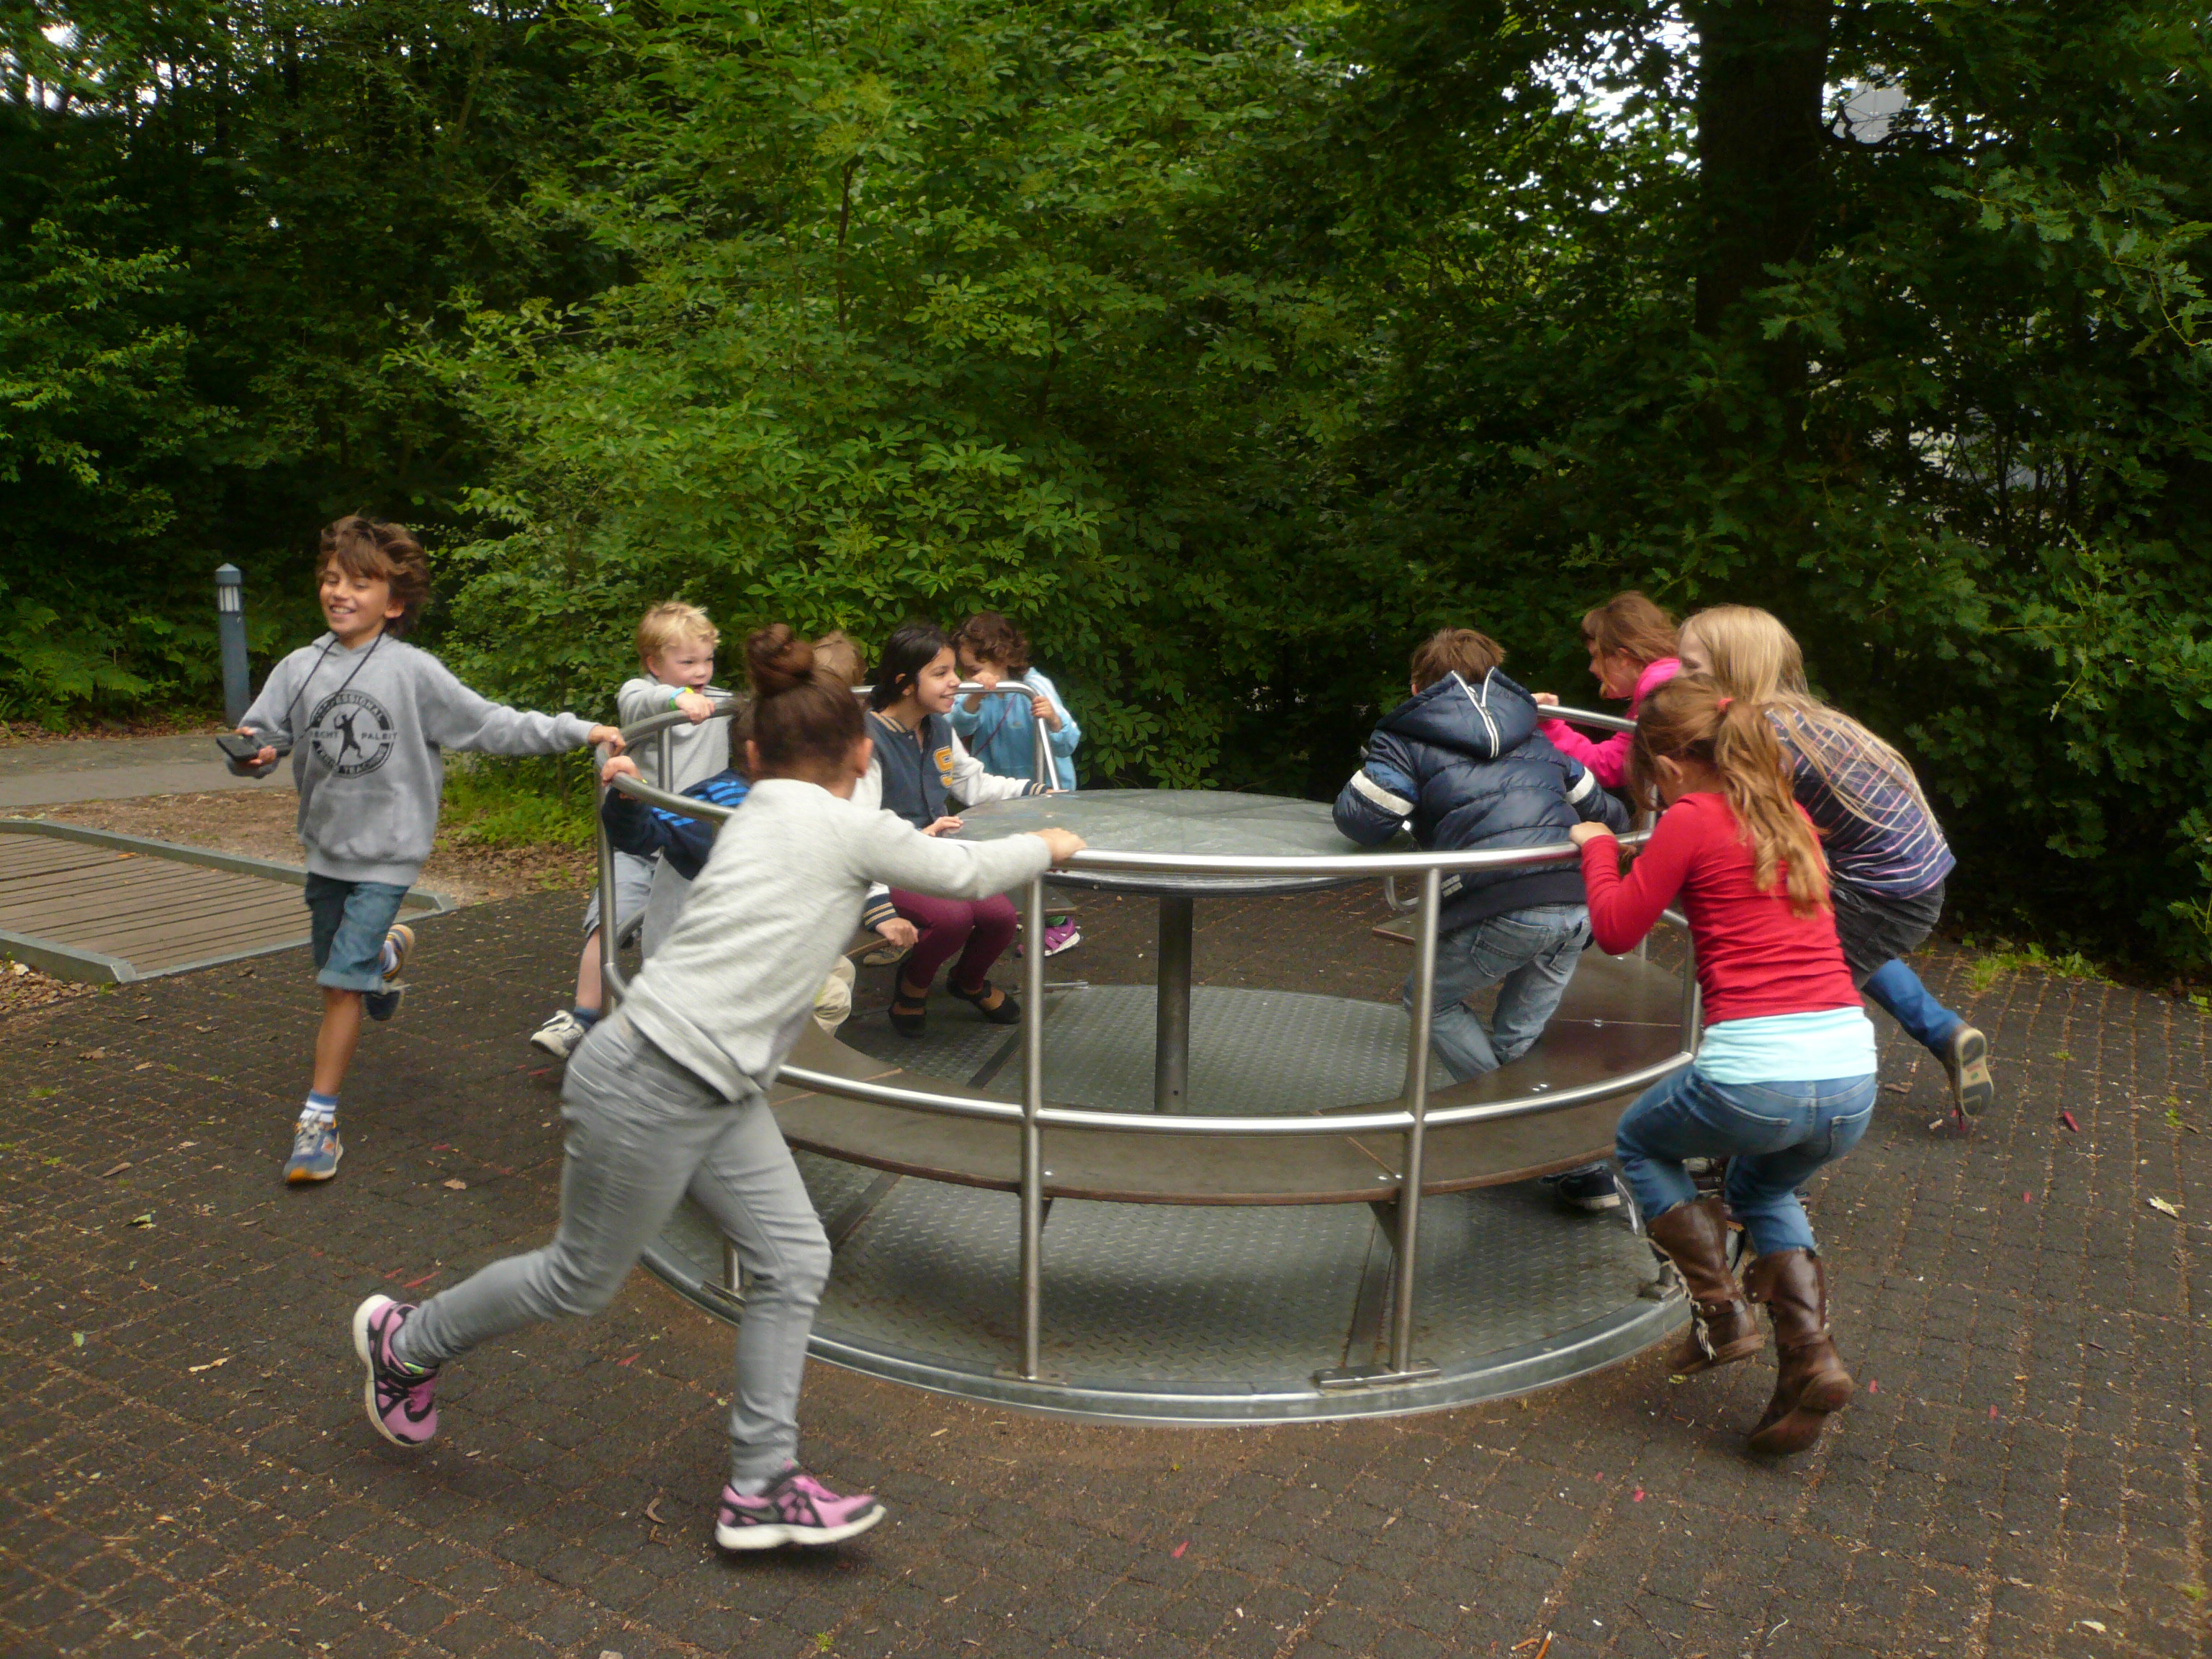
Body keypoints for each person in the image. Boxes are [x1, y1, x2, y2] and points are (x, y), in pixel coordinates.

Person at [350, 625, 1085, 1549]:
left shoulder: (759, 806)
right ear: (862, 757)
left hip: (713, 1081)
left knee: (794, 1259)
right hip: (655, 1077)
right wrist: (1050, 841)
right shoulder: (846, 823)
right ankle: (406, 1342)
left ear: (753, 756)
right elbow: (966, 869)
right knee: (579, 1278)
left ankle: (761, 1485)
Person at [229, 516, 623, 1184]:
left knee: (338, 986)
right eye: (332, 579)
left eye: (360, 583)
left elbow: (491, 722)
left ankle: (319, 1121)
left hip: (391, 852)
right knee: (341, 969)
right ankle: (384, 956)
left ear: (395, 602)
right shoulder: (299, 667)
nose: (340, 592)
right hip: (325, 849)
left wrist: (579, 730)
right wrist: (253, 754)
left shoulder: (413, 673)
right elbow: (262, 737)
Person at [1572, 676, 1878, 1455]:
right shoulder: (1789, 816)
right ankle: (1811, 1361)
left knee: (1640, 1140)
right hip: (1851, 1077)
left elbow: (1615, 928)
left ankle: (1720, 1313)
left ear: (1671, 764)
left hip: (1757, 1077)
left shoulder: (1691, 816)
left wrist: (1599, 848)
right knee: (1763, 1189)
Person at [1333, 628, 1632, 1213]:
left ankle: (1525, 1137)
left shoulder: (1405, 734)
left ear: (1418, 687)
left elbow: (1363, 819)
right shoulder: (1533, 733)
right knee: (1519, 1039)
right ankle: (1584, 1169)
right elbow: (1609, 812)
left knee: (1428, 1000)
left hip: (1506, 904)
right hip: (1577, 903)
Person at [1677, 605, 1992, 1119]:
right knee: (1842, 945)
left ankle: (1761, 1120)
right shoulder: (1797, 716)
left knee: (1787, 994)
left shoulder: (1763, 739)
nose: (1679, 678)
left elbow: (1729, 829)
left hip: (1884, 891)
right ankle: (1944, 1033)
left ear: (1734, 668)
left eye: (1692, 668)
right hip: (1905, 877)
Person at [531, 602, 729, 1061]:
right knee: (609, 919)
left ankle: (683, 1026)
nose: (701, 672)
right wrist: (677, 699)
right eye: (688, 662)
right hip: (642, 842)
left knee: (695, 933)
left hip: (691, 847)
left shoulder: (721, 703)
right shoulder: (644, 693)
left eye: (708, 660)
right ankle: (583, 1015)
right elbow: (638, 701)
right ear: (654, 664)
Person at [864, 620, 1050, 1038]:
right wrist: (877, 903)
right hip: (889, 863)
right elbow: (859, 832)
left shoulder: (938, 726)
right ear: (905, 684)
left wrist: (1033, 791)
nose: (956, 682)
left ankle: (967, 981)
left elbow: (973, 784)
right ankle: (912, 986)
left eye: (954, 671)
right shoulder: (869, 740)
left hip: (934, 855)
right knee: (951, 919)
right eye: (941, 673)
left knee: (1001, 918)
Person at [950, 611, 1082, 955]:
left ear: (1004, 657)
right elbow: (957, 728)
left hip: (1043, 790)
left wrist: (1053, 720)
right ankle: (1024, 913)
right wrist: (975, 697)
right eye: (966, 671)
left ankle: (1060, 924)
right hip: (1001, 790)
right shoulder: (975, 692)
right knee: (1007, 853)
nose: (969, 677)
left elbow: (1068, 742)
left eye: (975, 669)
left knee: (1042, 857)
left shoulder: (1034, 687)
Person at [1534, 590, 1681, 788]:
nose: (1592, 668)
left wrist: (1549, 724)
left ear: (1623, 657)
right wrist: (1551, 724)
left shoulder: (1658, 686)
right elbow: (1611, 763)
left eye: (1596, 656)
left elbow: (1611, 766)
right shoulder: (1668, 680)